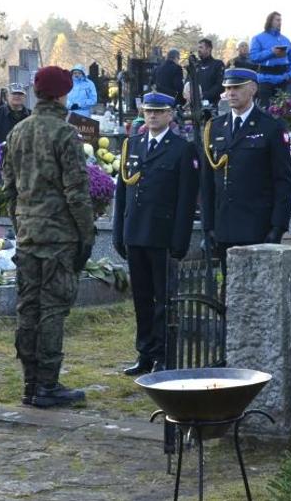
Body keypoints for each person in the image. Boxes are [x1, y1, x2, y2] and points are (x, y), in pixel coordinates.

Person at [0, 65, 99, 408]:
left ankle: (30, 383)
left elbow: (9, 189)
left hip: (28, 234)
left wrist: (20, 225)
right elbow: (76, 191)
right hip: (58, 236)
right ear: (62, 93)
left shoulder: (18, 132)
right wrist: (86, 234)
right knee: (53, 308)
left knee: (28, 307)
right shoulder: (64, 133)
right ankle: (47, 383)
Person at [111, 92, 198, 376]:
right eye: (148, 111)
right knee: (141, 299)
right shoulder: (132, 144)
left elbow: (186, 199)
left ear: (170, 115)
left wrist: (180, 240)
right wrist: (118, 232)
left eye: (158, 112)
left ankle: (163, 353)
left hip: (162, 235)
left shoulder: (181, 149)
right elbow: (122, 193)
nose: (152, 116)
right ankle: (144, 353)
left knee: (164, 300)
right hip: (135, 232)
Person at [199, 66, 291, 261]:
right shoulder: (215, 127)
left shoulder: (271, 127)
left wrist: (278, 227)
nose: (231, 92)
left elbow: (283, 181)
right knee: (229, 288)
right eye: (228, 88)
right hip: (223, 226)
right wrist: (207, 225)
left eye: (237, 87)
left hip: (257, 226)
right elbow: (208, 181)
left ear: (252, 89)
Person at [250, 12, 291, 104]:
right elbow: (253, 57)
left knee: (289, 110)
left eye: (281, 20)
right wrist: (271, 52)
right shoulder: (258, 38)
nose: (280, 22)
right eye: (277, 20)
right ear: (270, 21)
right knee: (264, 110)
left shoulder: (286, 39)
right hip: (265, 80)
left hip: (284, 79)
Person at [186, 39, 225, 116]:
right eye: (198, 48)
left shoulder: (217, 64)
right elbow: (188, 83)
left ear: (209, 49)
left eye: (201, 47)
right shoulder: (195, 66)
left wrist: (204, 95)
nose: (198, 50)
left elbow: (220, 85)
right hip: (195, 107)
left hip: (213, 106)